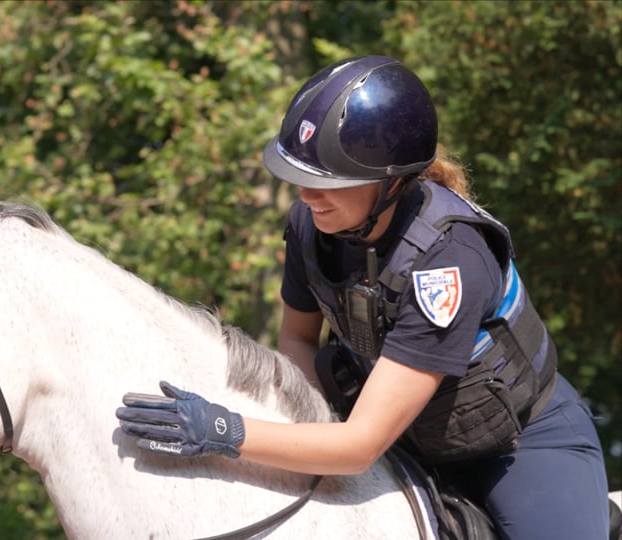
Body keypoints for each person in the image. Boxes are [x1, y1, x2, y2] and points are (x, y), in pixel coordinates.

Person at [116, 56, 610, 539]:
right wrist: (305, 421)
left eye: (329, 183)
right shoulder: (312, 226)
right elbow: (298, 341)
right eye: (303, 180)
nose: (309, 196)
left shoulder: (449, 260)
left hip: (517, 447)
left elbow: (359, 446)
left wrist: (226, 430)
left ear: (392, 182)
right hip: (402, 435)